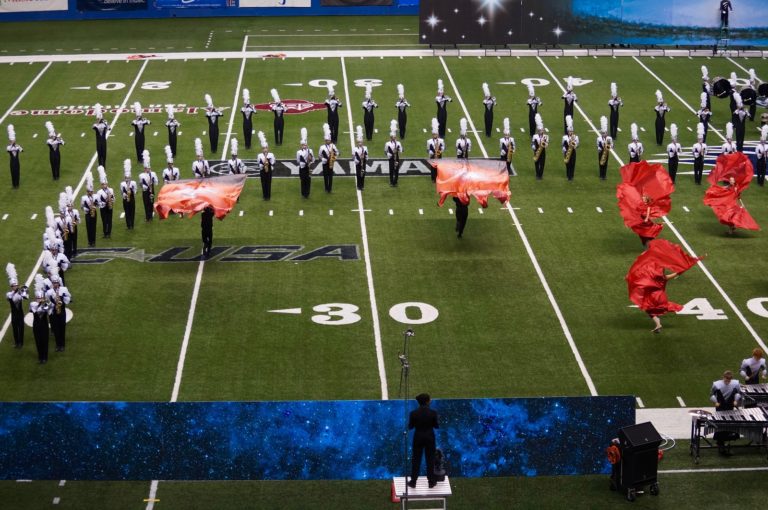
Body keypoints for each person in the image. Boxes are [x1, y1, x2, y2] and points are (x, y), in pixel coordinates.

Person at [408, 393, 439, 489]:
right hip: (430, 438)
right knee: (430, 459)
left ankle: (413, 481)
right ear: (427, 401)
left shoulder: (413, 413)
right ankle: (431, 481)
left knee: (416, 460)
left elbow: (410, 427)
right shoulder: (433, 413)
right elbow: (436, 426)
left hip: (418, 437)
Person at [710, 370, 742, 455]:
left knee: (729, 424)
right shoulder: (716, 384)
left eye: (729, 379)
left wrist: (736, 400)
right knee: (721, 425)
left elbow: (738, 393)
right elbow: (712, 394)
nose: (728, 381)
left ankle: (726, 443)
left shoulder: (735, 384)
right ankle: (720, 444)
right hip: (720, 407)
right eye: (726, 379)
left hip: (730, 407)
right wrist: (715, 402)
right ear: (723, 377)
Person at [45, 270, 71, 352]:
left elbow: (69, 298)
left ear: (58, 283)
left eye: (56, 283)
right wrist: (53, 303)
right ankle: (58, 345)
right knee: (56, 329)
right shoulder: (49, 292)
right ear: (52, 283)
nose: (55, 284)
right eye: (54, 283)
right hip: (54, 312)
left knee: (62, 327)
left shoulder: (64, 289)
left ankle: (62, 345)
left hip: (62, 311)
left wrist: (62, 298)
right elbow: (46, 302)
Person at [6, 263, 27, 349]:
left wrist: (21, 291)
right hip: (14, 314)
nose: (15, 287)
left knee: (21, 327)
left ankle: (21, 342)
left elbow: (25, 297)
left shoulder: (20, 293)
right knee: (14, 328)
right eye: (14, 286)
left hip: (20, 313)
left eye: (16, 286)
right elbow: (9, 297)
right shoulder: (9, 294)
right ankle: (16, 342)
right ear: (11, 287)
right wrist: (16, 291)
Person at [30, 274, 50, 364]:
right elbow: (34, 310)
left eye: (41, 298)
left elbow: (48, 311)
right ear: (36, 298)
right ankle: (40, 357)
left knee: (45, 341)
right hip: (36, 326)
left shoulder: (46, 304)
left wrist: (45, 303)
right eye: (38, 298)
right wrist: (40, 303)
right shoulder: (33, 304)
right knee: (38, 341)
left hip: (44, 325)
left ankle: (45, 357)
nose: (40, 299)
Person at [95, 165, 114, 239]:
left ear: (107, 184)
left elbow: (114, 198)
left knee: (109, 220)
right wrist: (104, 202)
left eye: (105, 184)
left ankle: (109, 232)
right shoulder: (99, 192)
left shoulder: (111, 190)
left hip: (109, 206)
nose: (104, 185)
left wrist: (110, 201)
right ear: (101, 185)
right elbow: (98, 202)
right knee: (104, 220)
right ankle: (105, 233)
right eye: (103, 184)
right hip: (103, 208)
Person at [319, 124, 338, 193]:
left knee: (330, 176)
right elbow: (319, 156)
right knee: (325, 176)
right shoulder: (322, 147)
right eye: (326, 140)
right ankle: (326, 188)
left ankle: (330, 189)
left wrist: (334, 158)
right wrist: (323, 159)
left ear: (330, 140)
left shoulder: (333, 146)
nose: (327, 141)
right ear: (325, 140)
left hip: (331, 163)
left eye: (328, 140)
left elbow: (337, 152)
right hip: (325, 163)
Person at [139, 150, 158, 222]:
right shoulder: (141, 175)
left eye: (149, 168)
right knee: (146, 203)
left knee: (151, 203)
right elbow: (140, 183)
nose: (148, 169)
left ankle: (151, 216)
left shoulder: (153, 174)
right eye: (146, 168)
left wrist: (153, 180)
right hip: (145, 191)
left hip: (151, 189)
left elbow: (156, 182)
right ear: (144, 169)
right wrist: (143, 186)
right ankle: (147, 217)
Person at [80, 171, 98, 247]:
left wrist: (94, 207)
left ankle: (93, 241)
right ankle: (89, 241)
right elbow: (81, 206)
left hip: (94, 212)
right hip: (87, 214)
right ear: (87, 192)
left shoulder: (95, 196)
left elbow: (98, 204)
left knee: (94, 227)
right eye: (89, 191)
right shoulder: (83, 198)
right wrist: (87, 209)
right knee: (88, 227)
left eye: (91, 191)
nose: (91, 192)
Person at [257, 132, 275, 200]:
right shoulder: (259, 155)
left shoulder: (271, 155)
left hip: (269, 170)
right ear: (262, 149)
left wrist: (268, 163)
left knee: (268, 182)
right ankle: (264, 196)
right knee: (263, 183)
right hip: (262, 170)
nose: (265, 149)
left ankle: (268, 196)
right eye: (264, 148)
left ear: (268, 148)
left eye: (266, 148)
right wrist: (263, 164)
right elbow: (258, 163)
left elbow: (273, 162)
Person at [296, 127, 314, 199]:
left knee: (308, 180)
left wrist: (310, 159)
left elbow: (313, 159)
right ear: (301, 145)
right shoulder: (299, 152)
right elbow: (298, 161)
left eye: (305, 145)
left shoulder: (310, 151)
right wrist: (303, 163)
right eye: (303, 145)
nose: (304, 146)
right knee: (303, 180)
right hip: (302, 168)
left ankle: (307, 193)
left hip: (308, 168)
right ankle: (303, 193)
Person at [385, 120, 403, 187]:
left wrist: (399, 149)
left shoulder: (398, 143)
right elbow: (385, 151)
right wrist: (388, 154)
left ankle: (395, 182)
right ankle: (391, 181)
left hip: (397, 158)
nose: (394, 138)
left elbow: (402, 150)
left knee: (396, 170)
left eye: (395, 137)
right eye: (393, 137)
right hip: (391, 158)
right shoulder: (387, 144)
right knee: (391, 170)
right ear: (391, 137)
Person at [121, 159, 137, 230]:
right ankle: (128, 225)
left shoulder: (133, 183)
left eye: (128, 178)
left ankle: (132, 224)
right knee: (127, 212)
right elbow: (121, 192)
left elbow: (135, 190)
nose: (127, 179)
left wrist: (131, 192)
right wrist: (125, 195)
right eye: (126, 178)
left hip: (132, 198)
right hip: (125, 199)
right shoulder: (122, 184)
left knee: (132, 211)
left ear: (130, 177)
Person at [427, 118, 444, 182]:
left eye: (436, 134)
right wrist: (431, 152)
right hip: (432, 156)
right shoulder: (429, 141)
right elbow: (427, 149)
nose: (435, 135)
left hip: (439, 155)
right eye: (434, 134)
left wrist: (438, 153)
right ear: (432, 135)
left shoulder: (441, 140)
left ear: (438, 134)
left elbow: (443, 147)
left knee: (438, 167)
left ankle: (438, 177)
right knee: (433, 167)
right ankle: (433, 178)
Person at [531, 114, 548, 180]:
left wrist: (546, 145)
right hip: (536, 150)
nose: (541, 131)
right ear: (538, 130)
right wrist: (533, 146)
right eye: (540, 130)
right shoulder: (535, 136)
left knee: (542, 163)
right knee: (536, 162)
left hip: (543, 151)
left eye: (542, 130)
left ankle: (540, 174)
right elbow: (532, 142)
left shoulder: (546, 136)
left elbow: (547, 143)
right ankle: (537, 174)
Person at [562, 115, 579, 181]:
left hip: (573, 152)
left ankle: (571, 175)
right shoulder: (565, 137)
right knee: (567, 164)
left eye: (571, 131)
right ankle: (568, 175)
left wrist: (575, 145)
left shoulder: (575, 137)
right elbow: (563, 144)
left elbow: (577, 144)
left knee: (572, 163)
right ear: (567, 132)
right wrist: (564, 148)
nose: (570, 132)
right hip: (567, 152)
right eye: (569, 131)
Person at [65, 186, 80, 257]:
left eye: (71, 206)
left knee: (75, 239)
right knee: (69, 240)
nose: (70, 207)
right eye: (69, 206)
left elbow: (78, 219)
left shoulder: (75, 211)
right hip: (68, 228)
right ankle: (70, 251)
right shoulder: (65, 213)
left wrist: (75, 222)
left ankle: (75, 251)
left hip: (74, 226)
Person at [597, 116, 613, 180]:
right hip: (601, 152)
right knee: (601, 163)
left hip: (606, 152)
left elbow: (612, 145)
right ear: (601, 133)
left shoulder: (609, 138)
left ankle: (604, 175)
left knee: (605, 163)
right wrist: (601, 148)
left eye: (605, 133)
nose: (604, 134)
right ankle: (601, 175)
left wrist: (609, 147)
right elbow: (598, 145)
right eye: (603, 133)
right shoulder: (599, 138)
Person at [6, 124, 22, 189]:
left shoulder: (17, 146)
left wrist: (17, 146)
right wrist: (12, 145)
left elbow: (22, 150)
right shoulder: (8, 147)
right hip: (12, 162)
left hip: (17, 162)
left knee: (17, 172)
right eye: (12, 140)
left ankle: (17, 184)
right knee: (13, 172)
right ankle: (14, 184)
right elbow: (8, 150)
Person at [353, 126, 368, 191]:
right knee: (358, 174)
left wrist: (364, 158)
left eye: (361, 142)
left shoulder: (365, 148)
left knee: (363, 174)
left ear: (362, 142)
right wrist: (357, 160)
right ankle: (359, 186)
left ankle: (362, 185)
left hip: (363, 163)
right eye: (359, 142)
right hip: (358, 163)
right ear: (357, 143)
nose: (360, 143)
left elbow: (367, 156)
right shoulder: (355, 149)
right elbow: (353, 157)